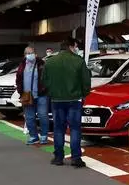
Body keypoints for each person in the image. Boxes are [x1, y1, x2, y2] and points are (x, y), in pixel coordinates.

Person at [42, 38, 91, 168]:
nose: (76, 48)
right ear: (71, 46)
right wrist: (83, 94)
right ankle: (76, 158)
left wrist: (51, 93)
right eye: (75, 46)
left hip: (56, 100)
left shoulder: (50, 62)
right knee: (75, 129)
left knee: (58, 128)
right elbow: (86, 81)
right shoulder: (78, 61)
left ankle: (58, 157)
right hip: (75, 100)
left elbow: (44, 81)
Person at [17, 46, 49, 146]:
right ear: (24, 55)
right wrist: (20, 91)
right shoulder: (22, 65)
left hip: (41, 94)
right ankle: (33, 136)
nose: (29, 55)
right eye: (27, 53)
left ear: (35, 54)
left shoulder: (41, 63)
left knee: (43, 115)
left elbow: (47, 78)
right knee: (29, 117)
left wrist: (45, 89)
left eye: (30, 53)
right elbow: (18, 78)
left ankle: (44, 135)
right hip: (27, 95)